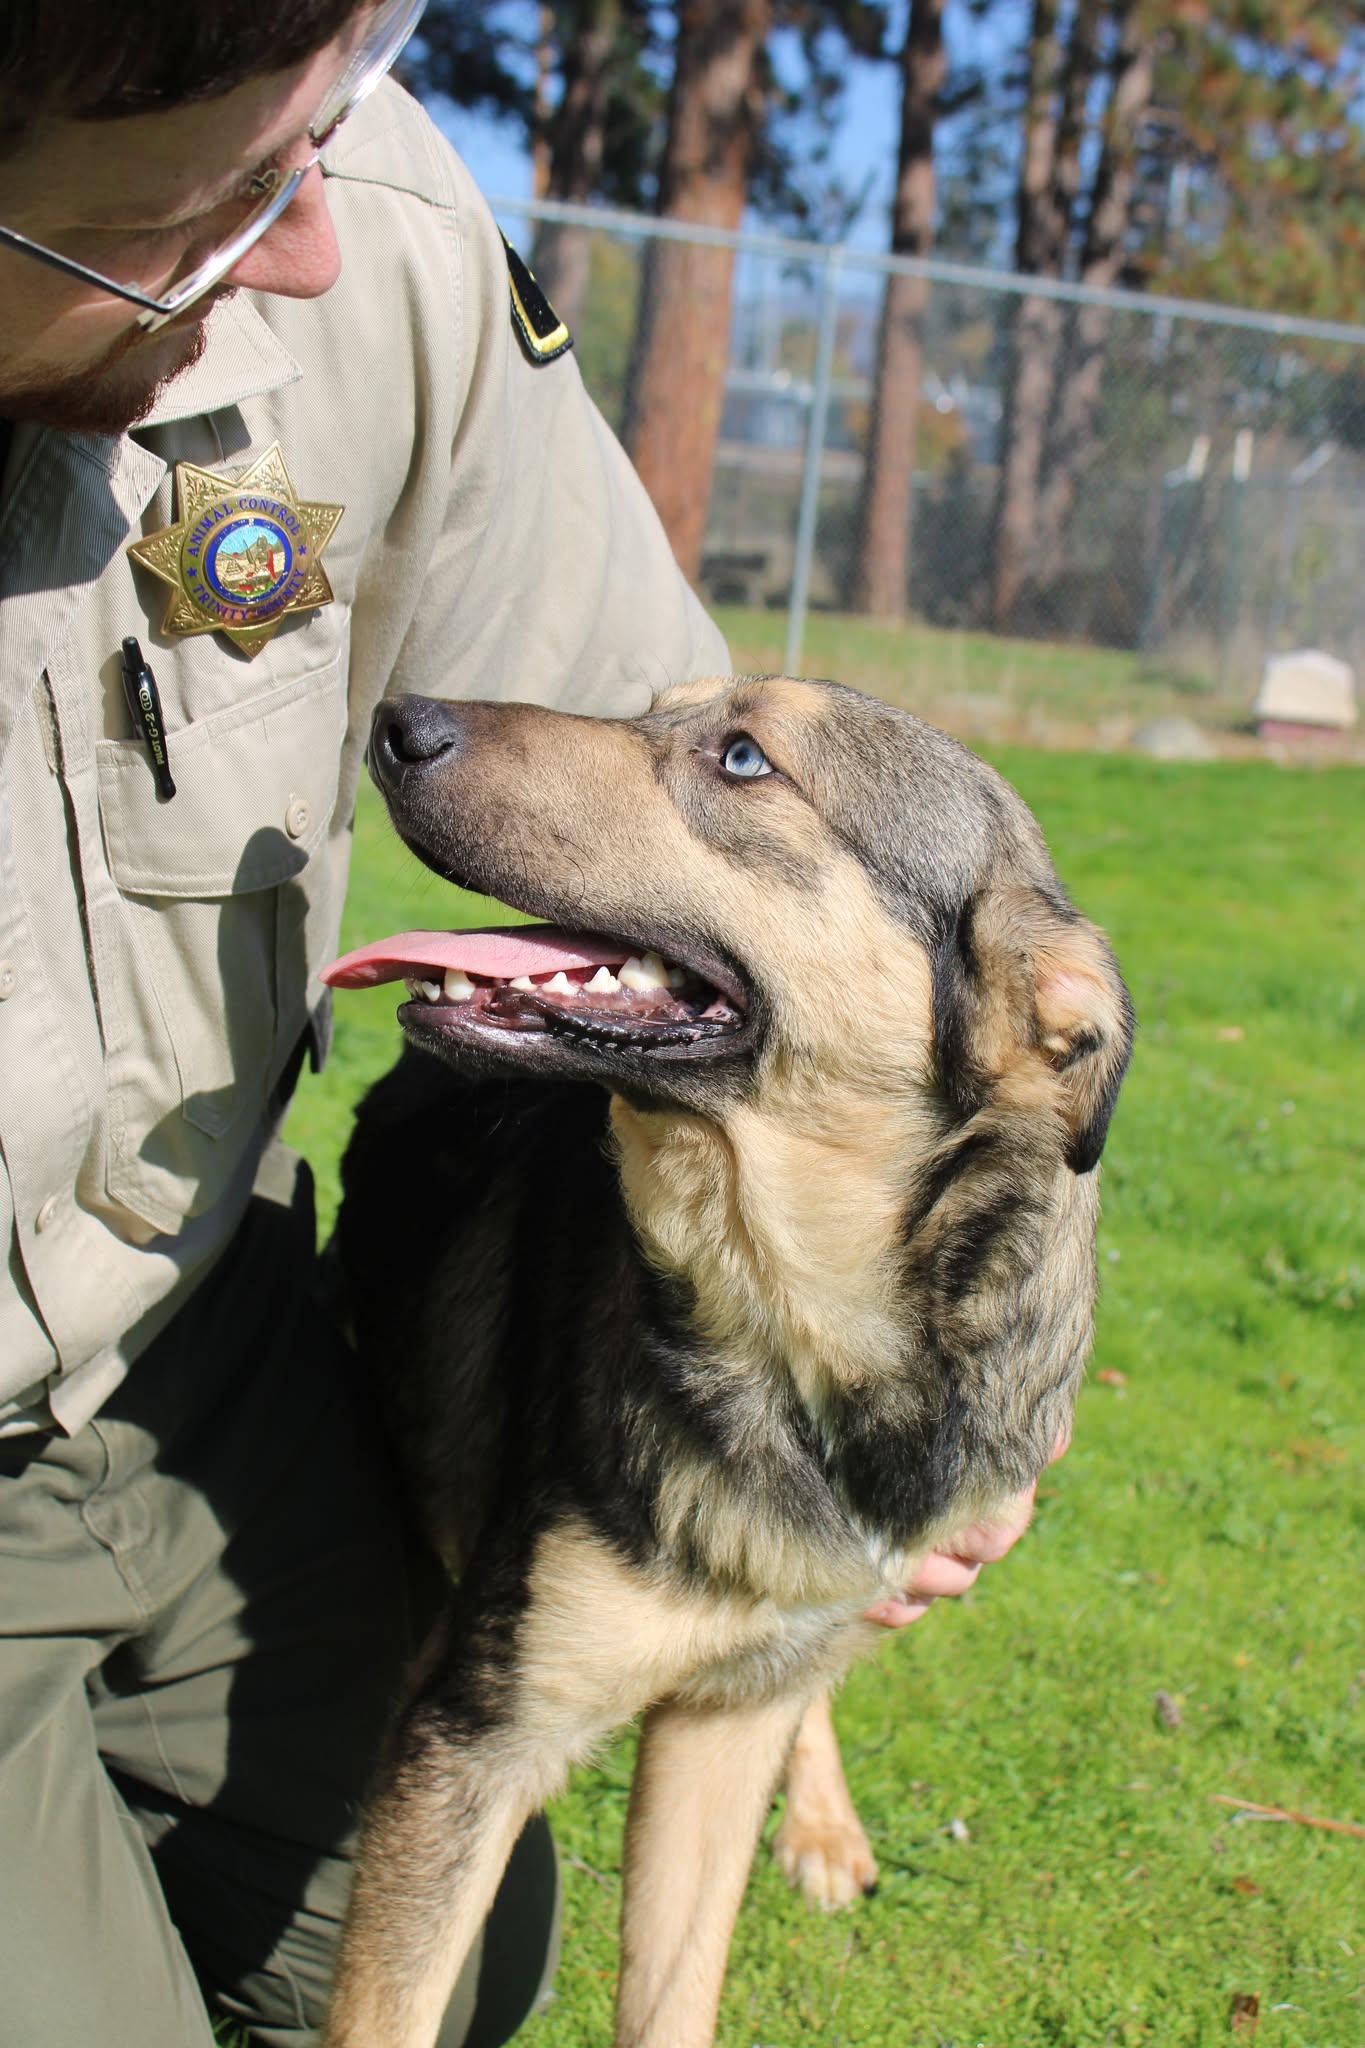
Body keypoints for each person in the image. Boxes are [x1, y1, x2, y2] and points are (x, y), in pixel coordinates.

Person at [0, 5, 1066, 2042]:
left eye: (315, 128)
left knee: (453, 1972)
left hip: (207, 1353)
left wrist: (970, 1327)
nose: (307, 241)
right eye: (215, 196)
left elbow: (685, 772)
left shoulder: (361, 202)